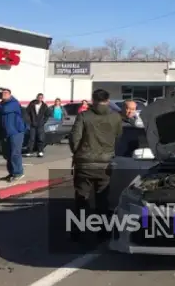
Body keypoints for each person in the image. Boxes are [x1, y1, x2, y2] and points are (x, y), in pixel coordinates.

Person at [68, 89, 123, 241]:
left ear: (93, 99)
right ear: (108, 99)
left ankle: (78, 230)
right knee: (102, 198)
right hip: (105, 163)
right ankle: (103, 230)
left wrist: (78, 153)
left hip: (85, 163)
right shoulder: (115, 117)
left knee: (81, 197)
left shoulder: (84, 116)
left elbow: (74, 138)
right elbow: (118, 137)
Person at [0, 88, 27, 182]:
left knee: (15, 153)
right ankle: (11, 173)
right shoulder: (1, 104)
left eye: (6, 93)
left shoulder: (13, 103)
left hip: (15, 132)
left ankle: (18, 173)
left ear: (10, 94)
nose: (4, 94)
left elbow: (5, 110)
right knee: (7, 154)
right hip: (5, 133)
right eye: (3, 93)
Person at [25, 93, 50, 158]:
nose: (40, 99)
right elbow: (27, 113)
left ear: (42, 98)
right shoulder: (32, 104)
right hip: (32, 124)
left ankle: (40, 151)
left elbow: (47, 114)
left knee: (40, 138)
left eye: (41, 98)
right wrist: (29, 121)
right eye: (39, 97)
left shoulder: (44, 106)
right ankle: (29, 151)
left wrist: (43, 121)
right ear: (37, 97)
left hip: (40, 125)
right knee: (31, 138)